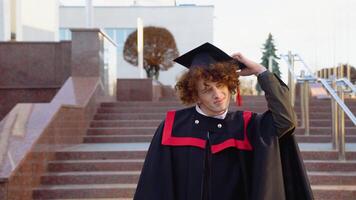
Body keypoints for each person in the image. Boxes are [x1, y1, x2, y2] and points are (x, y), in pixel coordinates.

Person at [134, 42, 313, 200]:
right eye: (207, 90)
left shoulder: (248, 125)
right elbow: (155, 187)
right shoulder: (173, 127)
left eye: (220, 85)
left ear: (229, 84)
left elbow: (285, 121)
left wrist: (261, 71)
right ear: (195, 96)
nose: (218, 95)